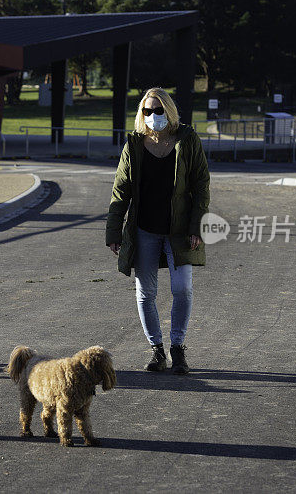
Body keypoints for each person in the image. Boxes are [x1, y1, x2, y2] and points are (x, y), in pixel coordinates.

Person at [106, 87, 209, 375]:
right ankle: (157, 350)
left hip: (179, 230)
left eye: (158, 110)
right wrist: (114, 231)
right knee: (145, 293)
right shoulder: (134, 146)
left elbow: (202, 184)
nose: (153, 116)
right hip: (145, 230)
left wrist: (198, 225)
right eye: (147, 111)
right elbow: (120, 191)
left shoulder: (187, 140)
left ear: (170, 111)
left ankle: (178, 348)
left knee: (182, 289)